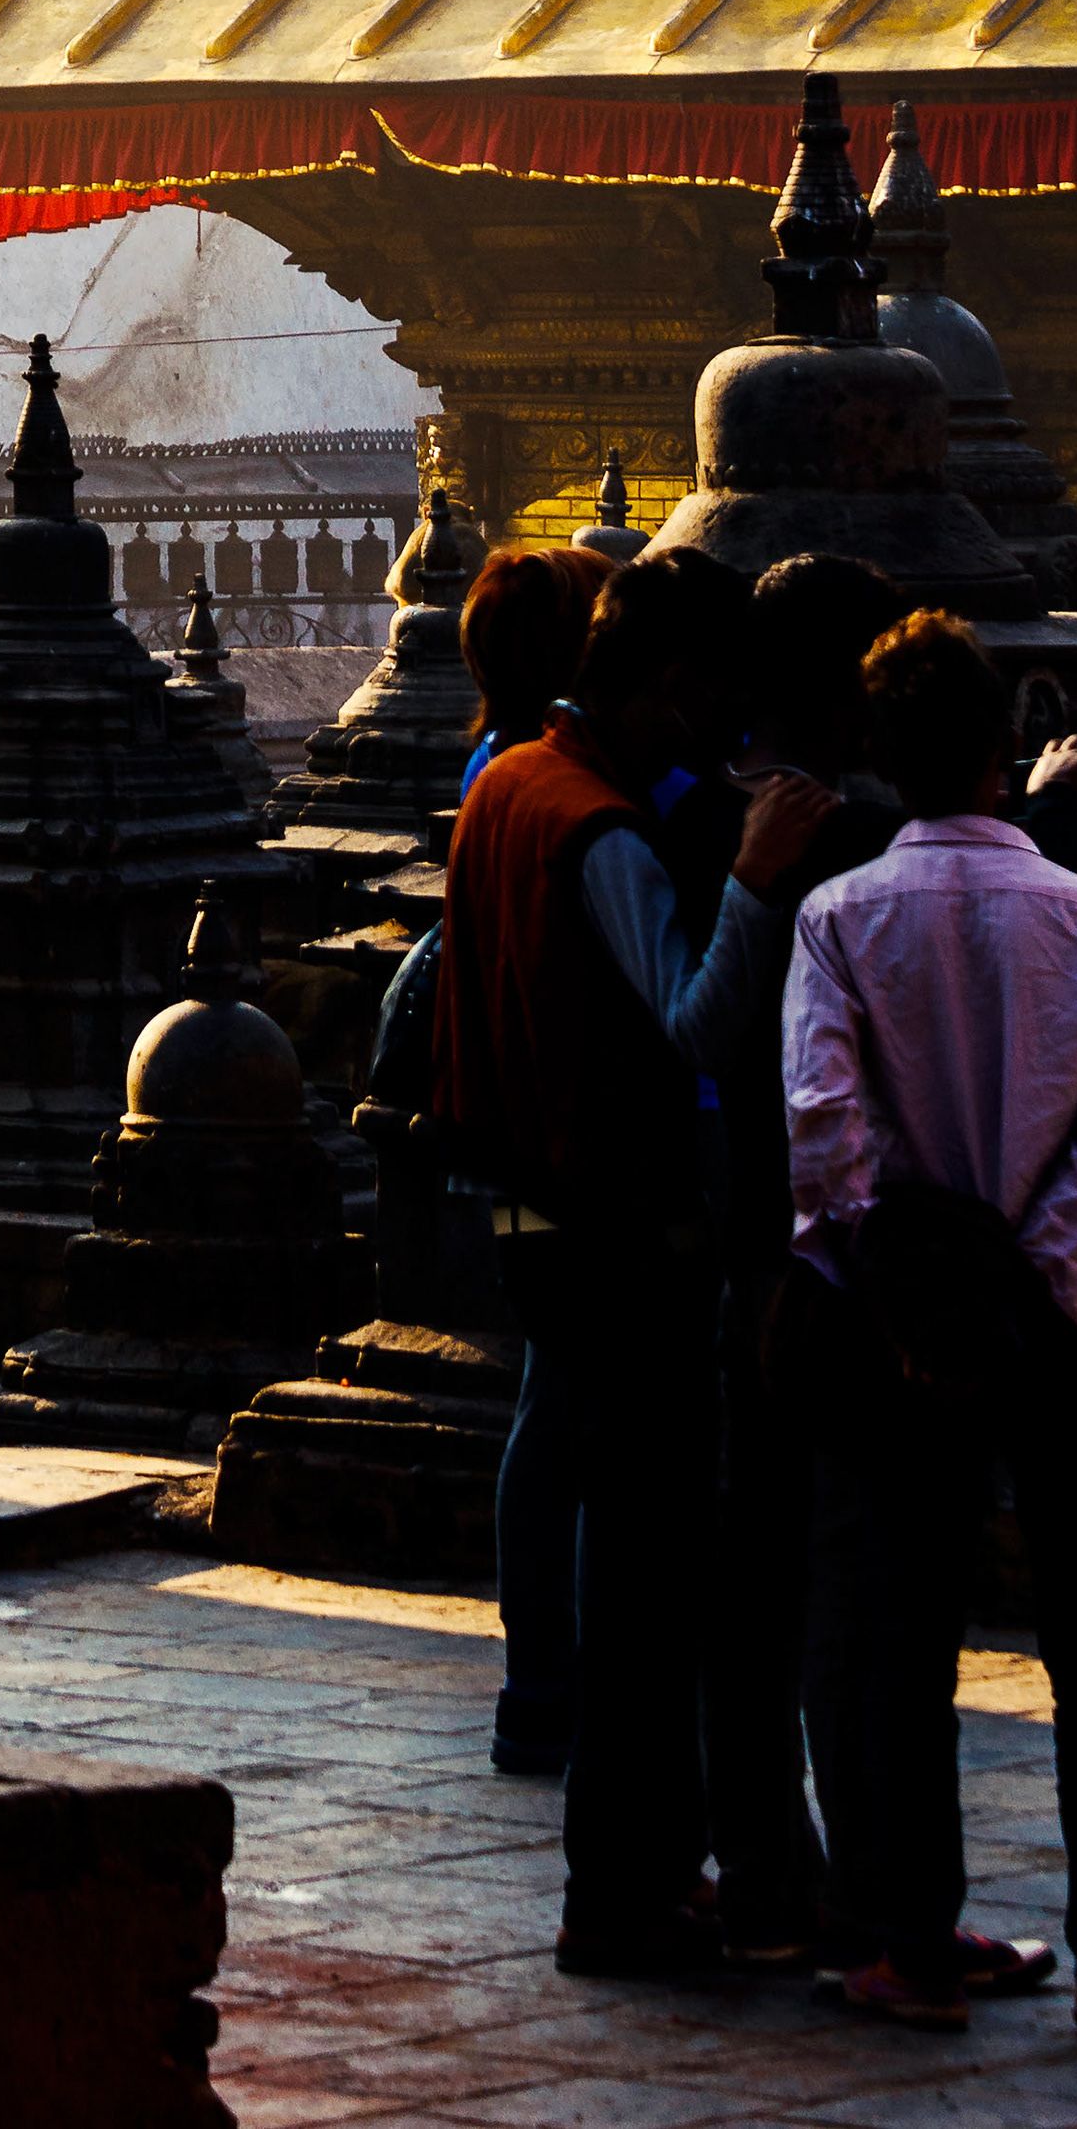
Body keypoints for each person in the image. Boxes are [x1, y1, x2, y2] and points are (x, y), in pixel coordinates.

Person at [782, 608, 1077, 2044]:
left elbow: (826, 1137)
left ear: (883, 762)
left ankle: (917, 1939)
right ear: (1005, 749)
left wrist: (913, 1294)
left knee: (912, 1640)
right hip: (1068, 1324)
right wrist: (1030, 1272)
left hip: (905, 1331)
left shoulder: (838, 916)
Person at [433, 545, 834, 1981]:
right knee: (653, 1586)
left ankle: (641, 1871)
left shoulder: (505, 780)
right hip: (617, 1235)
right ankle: (627, 1886)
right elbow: (693, 1022)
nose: (726, 733)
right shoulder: (597, 827)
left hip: (535, 1216)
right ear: (670, 686)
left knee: (629, 1557)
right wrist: (762, 876)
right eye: (717, 702)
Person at [695, 553, 906, 1966]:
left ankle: (767, 1865)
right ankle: (843, 1888)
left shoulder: (696, 806)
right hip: (821, 1253)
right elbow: (744, 1049)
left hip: (724, 1240)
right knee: (845, 1591)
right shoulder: (847, 839)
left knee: (750, 1586)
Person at [449, 544, 613, 1784]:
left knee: (548, 1416)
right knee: (564, 1421)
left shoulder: (491, 766)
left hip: (507, 1135)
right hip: (567, 1140)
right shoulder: (545, 787)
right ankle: (548, 1679)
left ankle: (541, 1674)